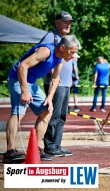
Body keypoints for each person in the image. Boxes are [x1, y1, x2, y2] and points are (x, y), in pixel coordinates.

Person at [2, 34, 81, 163]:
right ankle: (9, 152)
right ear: (62, 47)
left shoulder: (60, 59)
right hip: (18, 78)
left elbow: (55, 78)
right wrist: (24, 91)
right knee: (18, 113)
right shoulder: (46, 51)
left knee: (46, 112)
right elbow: (23, 66)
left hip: (31, 81)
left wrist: (49, 98)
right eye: (72, 52)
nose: (73, 56)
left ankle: (36, 149)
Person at [42, 11, 76, 157]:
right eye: (65, 21)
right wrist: (50, 72)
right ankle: (49, 146)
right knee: (54, 115)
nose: (68, 24)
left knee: (62, 116)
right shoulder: (51, 36)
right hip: (55, 83)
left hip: (65, 84)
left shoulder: (67, 38)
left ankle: (57, 145)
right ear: (57, 22)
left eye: (70, 22)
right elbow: (42, 52)